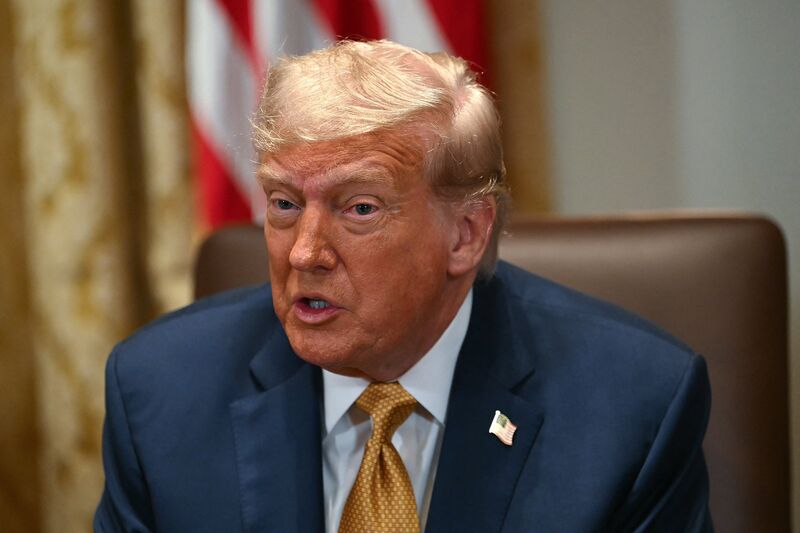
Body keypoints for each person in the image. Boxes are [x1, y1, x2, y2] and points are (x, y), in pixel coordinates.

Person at [94, 40, 712, 532]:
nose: (304, 252)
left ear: (466, 234)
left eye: (359, 208)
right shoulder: (160, 392)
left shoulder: (632, 409)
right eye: (284, 203)